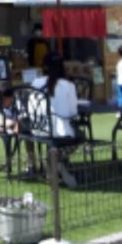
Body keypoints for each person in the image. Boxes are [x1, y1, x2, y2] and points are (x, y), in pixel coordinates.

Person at [33, 54, 81, 188]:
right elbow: (73, 112)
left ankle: (53, 163)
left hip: (38, 128)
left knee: (57, 139)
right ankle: (58, 159)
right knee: (80, 136)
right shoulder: (68, 85)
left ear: (44, 67)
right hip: (61, 130)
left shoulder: (36, 82)